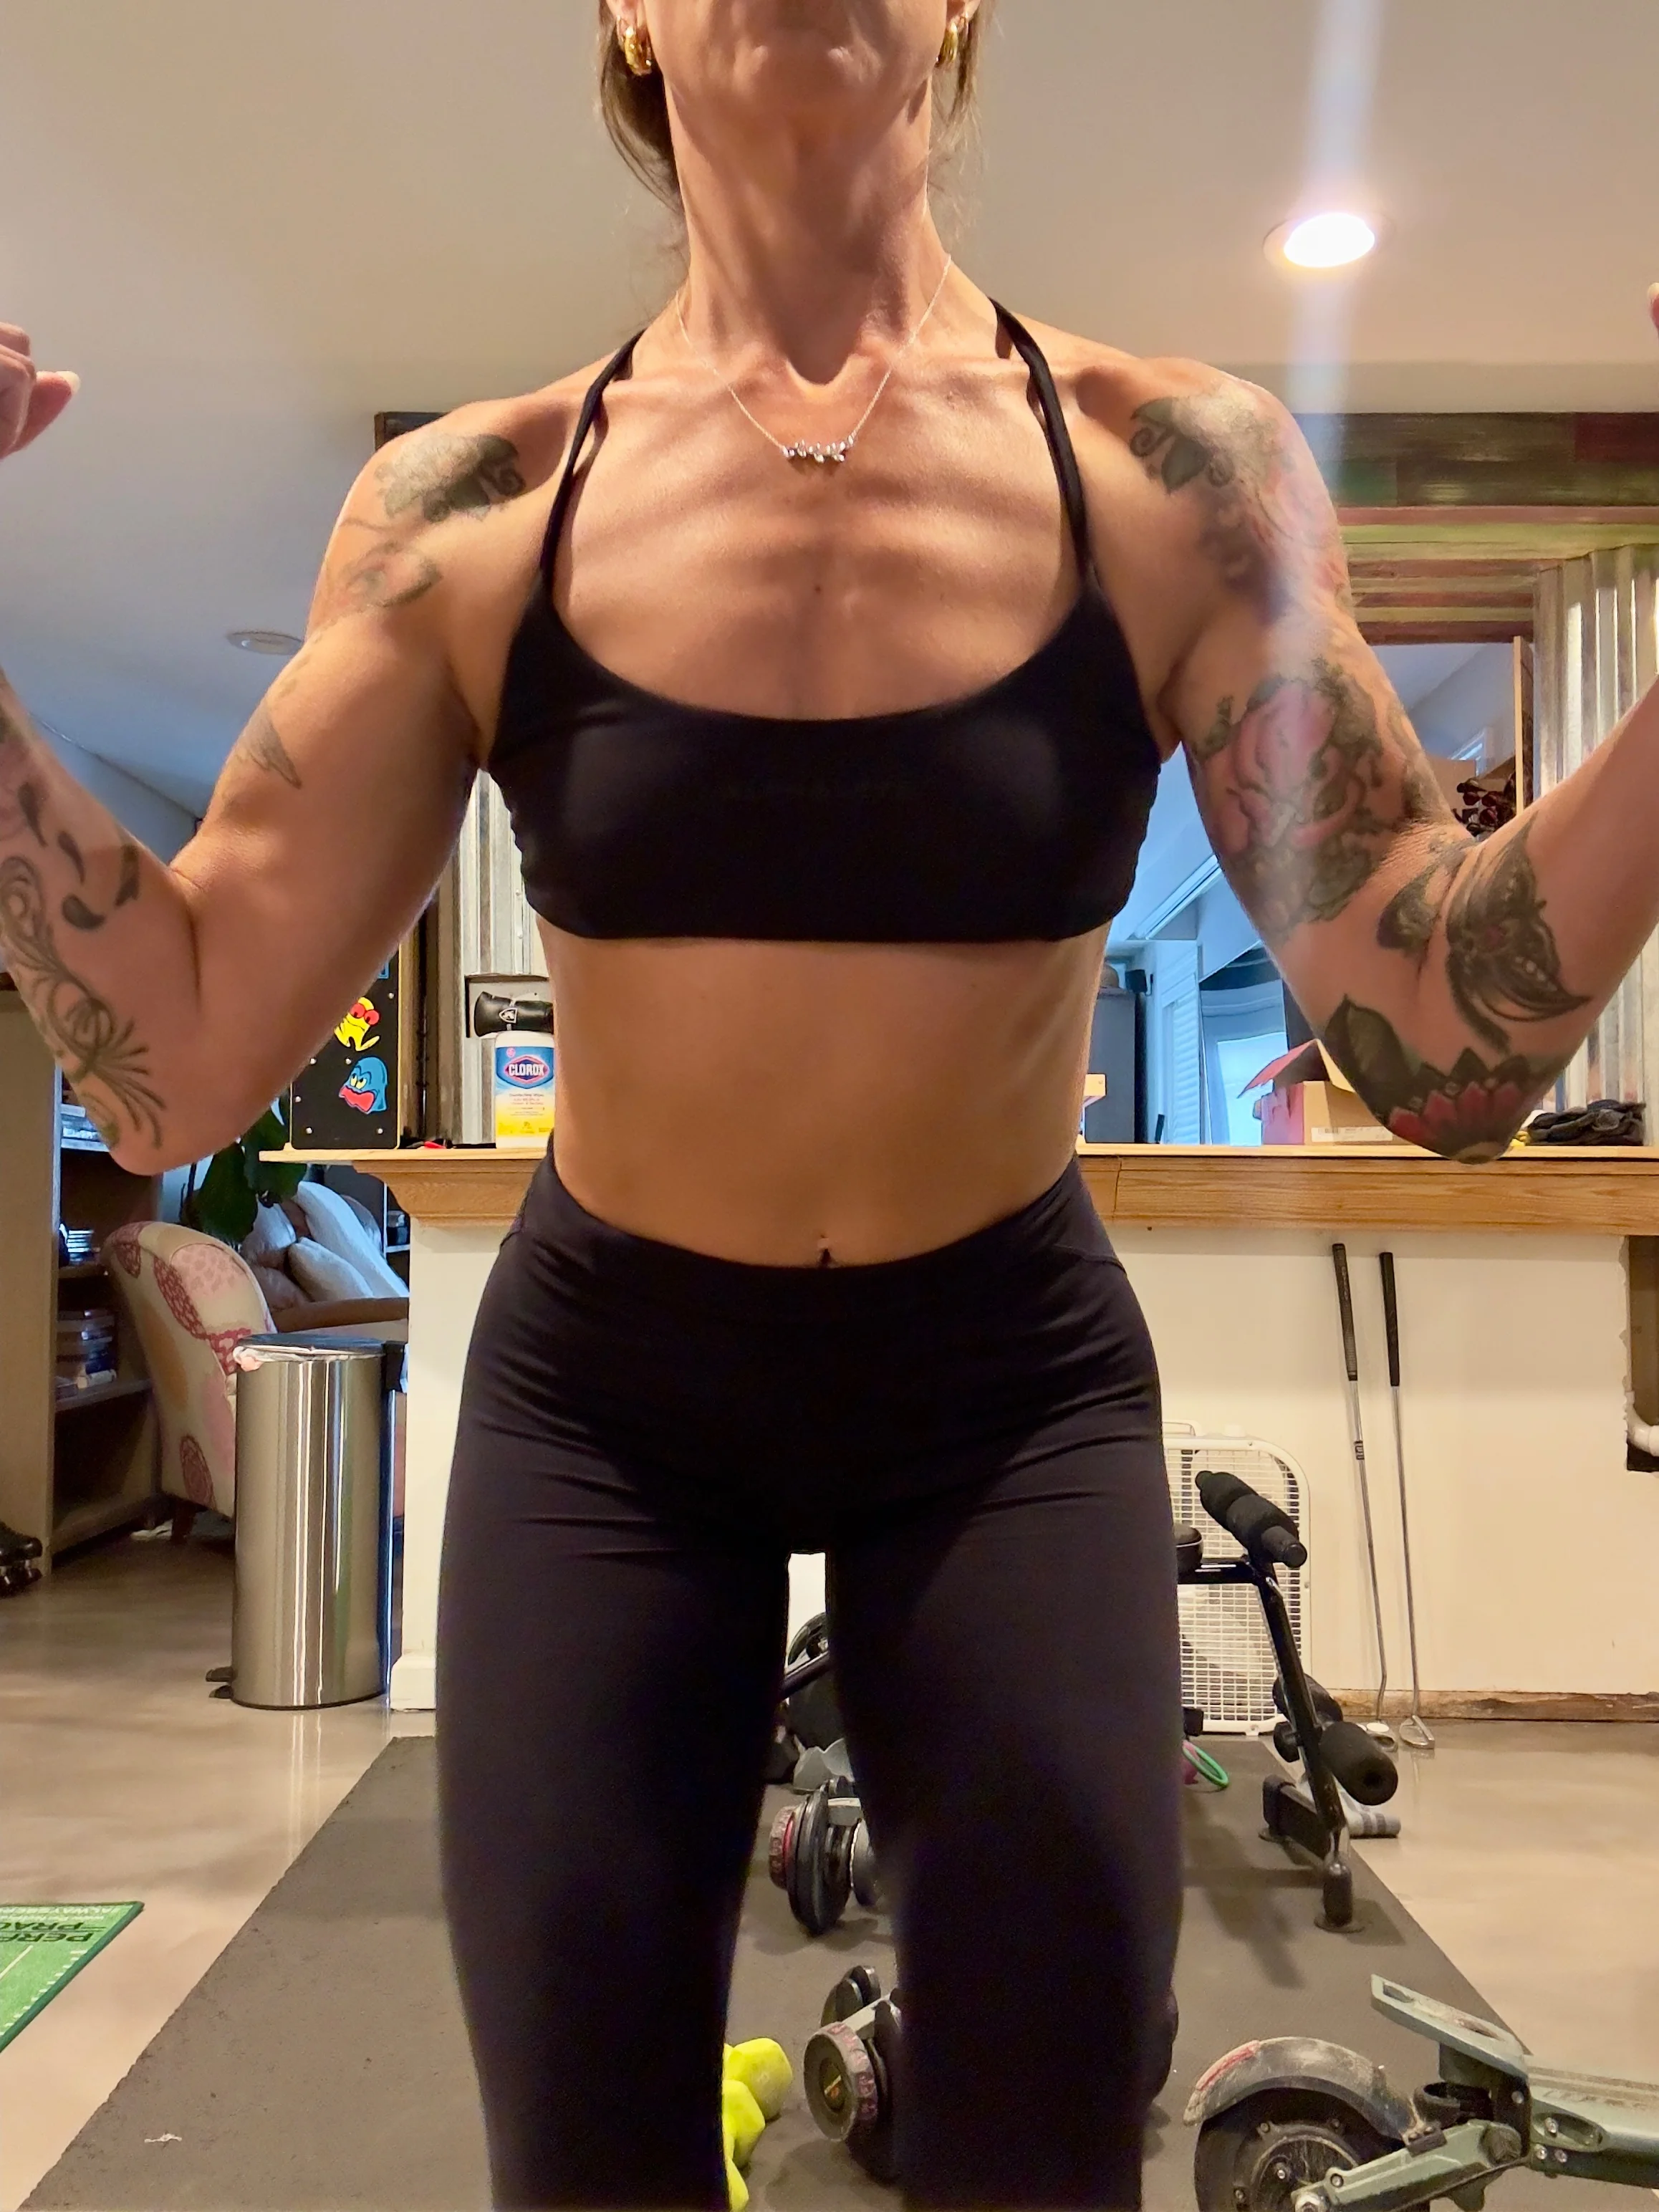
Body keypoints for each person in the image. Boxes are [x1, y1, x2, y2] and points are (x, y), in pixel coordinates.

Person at [4, 5, 1659, 2204]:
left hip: (1001, 1390)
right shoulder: (472, 510)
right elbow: (187, 1049)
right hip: (609, 1407)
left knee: (1048, 2133)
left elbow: (1446, 1037)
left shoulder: (1172, 471)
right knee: (585, 2157)